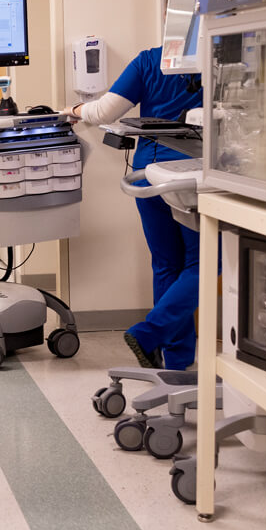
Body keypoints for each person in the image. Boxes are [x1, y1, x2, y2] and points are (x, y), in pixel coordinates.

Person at [63, 49, 204, 369]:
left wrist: (74, 109)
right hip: (191, 178)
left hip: (148, 175)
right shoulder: (220, 55)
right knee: (206, 262)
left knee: (167, 263)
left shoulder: (149, 60)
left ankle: (175, 362)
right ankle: (150, 334)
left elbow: (102, 112)